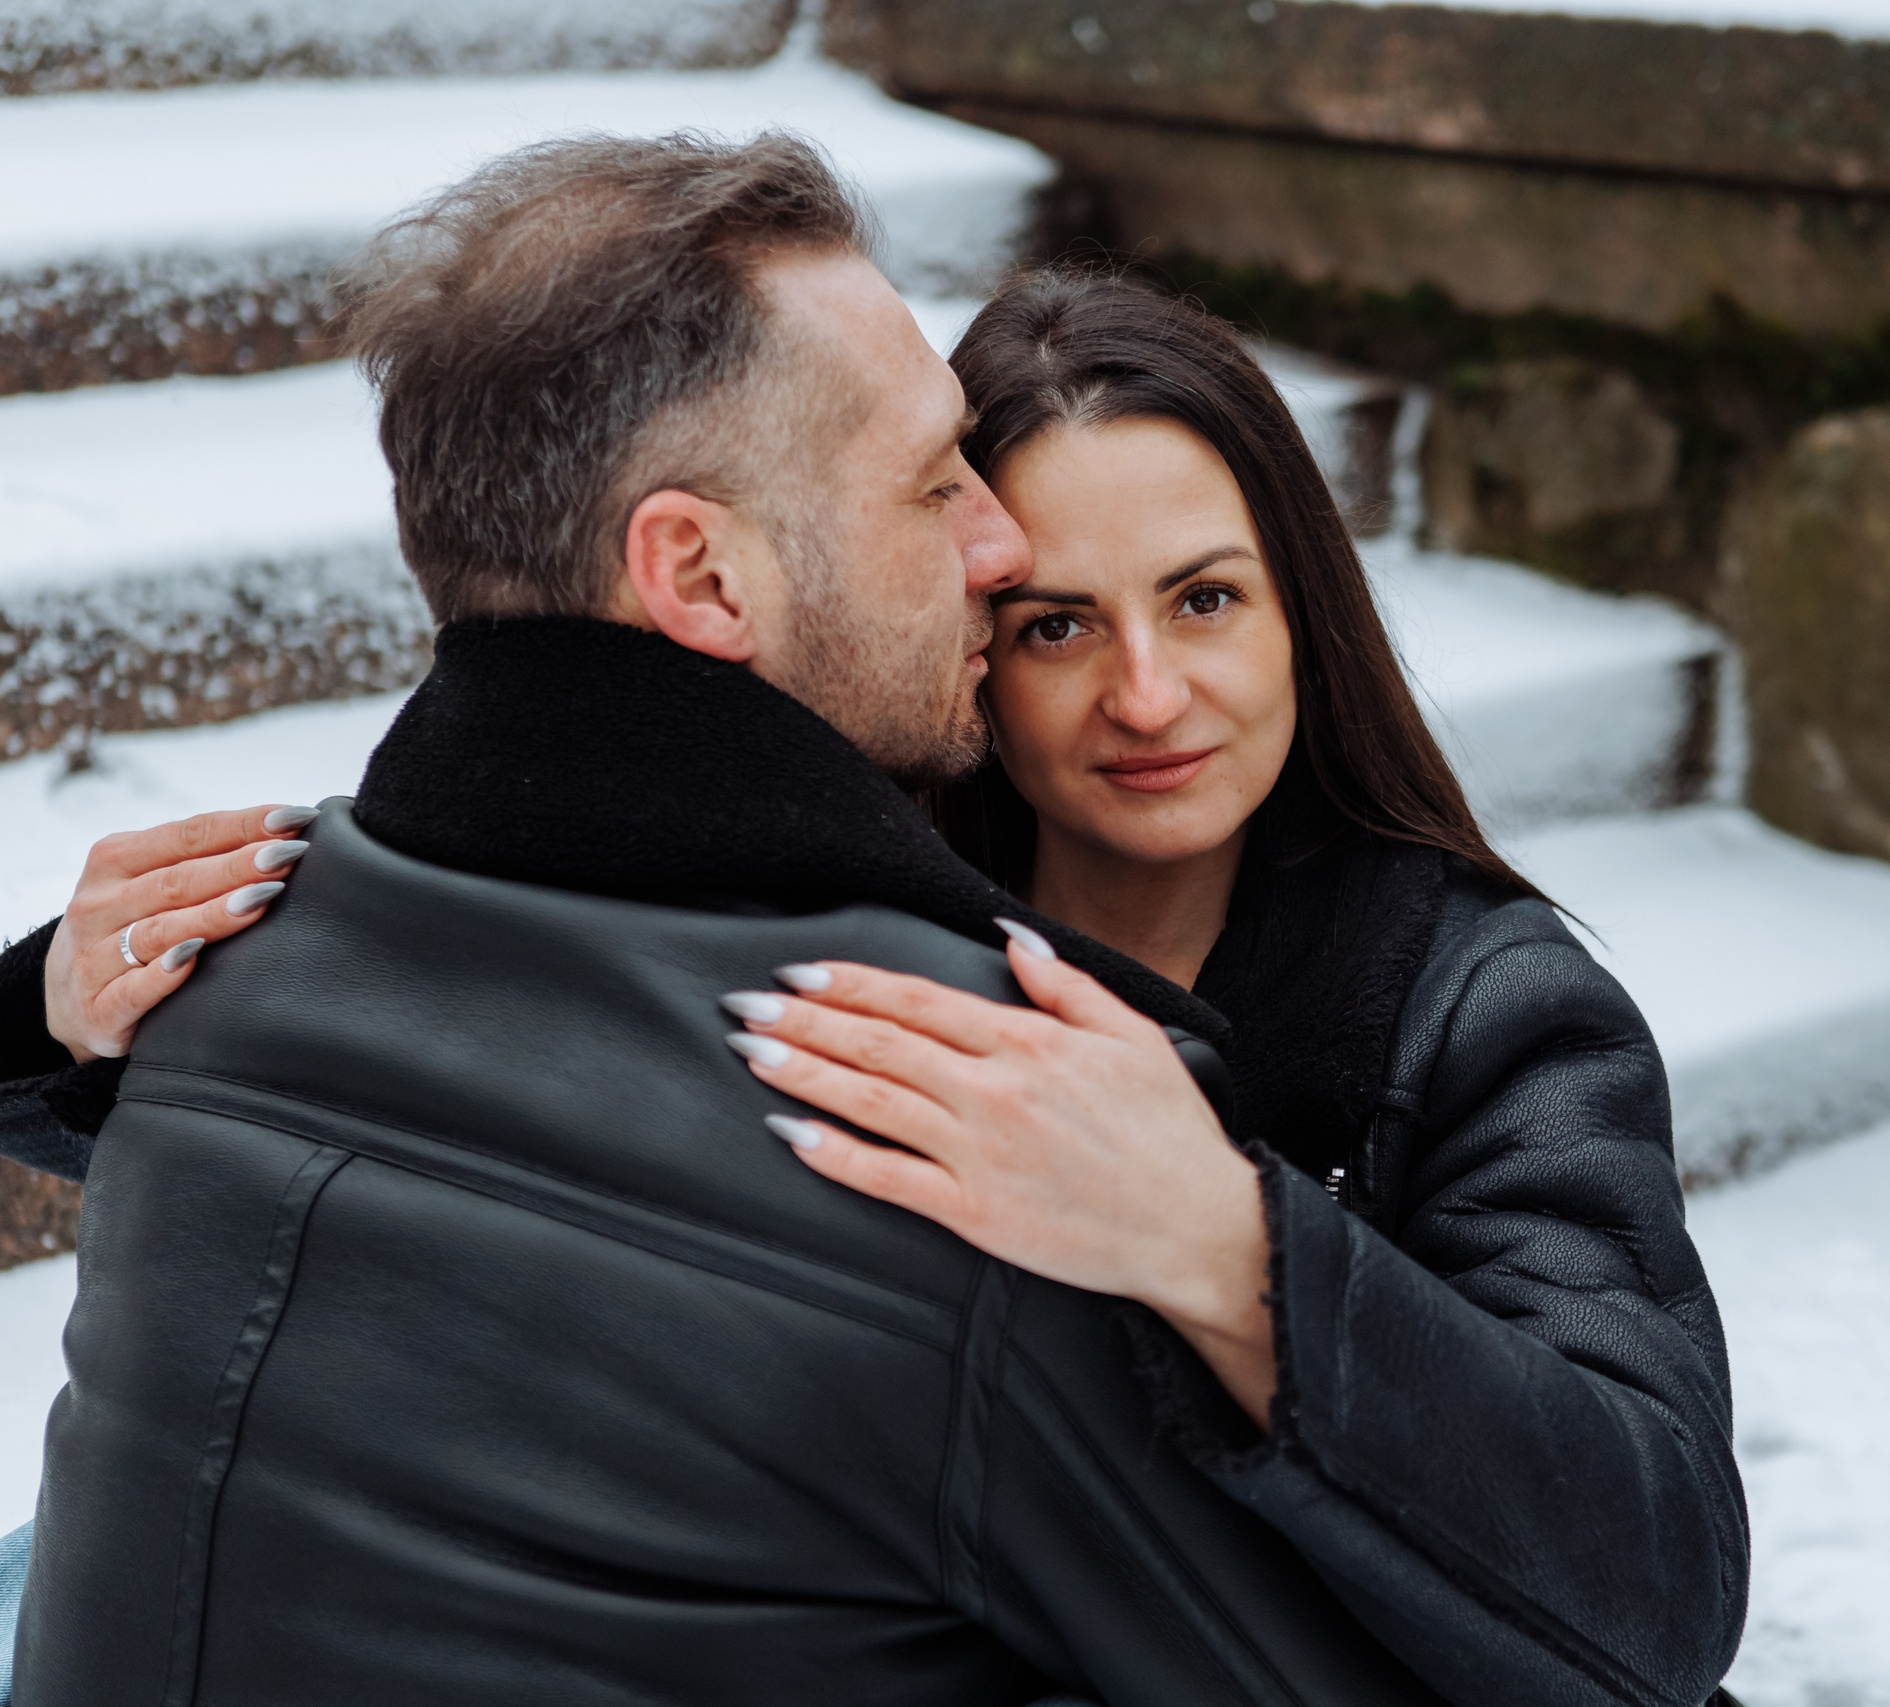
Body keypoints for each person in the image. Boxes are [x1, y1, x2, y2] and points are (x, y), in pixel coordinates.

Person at [0, 216, 1748, 1707]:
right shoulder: (854, 918)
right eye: (1051, 622)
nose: (1145, 695)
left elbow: (1648, 1579)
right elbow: (513, 1126)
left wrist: (1234, 1246)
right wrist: (61, 1019)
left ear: (1309, 611)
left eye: (1207, 599)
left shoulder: (1482, 1009)